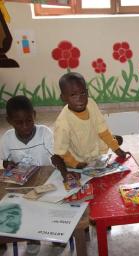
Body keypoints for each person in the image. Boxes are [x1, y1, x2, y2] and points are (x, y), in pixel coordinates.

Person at [0, 96, 64, 255]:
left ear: (34, 115)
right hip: (22, 184)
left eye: (29, 120)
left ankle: (55, 236)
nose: (25, 126)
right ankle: (32, 238)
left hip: (45, 180)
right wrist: (9, 166)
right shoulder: (7, 138)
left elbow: (55, 157)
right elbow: (5, 163)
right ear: (9, 121)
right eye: (19, 122)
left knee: (50, 206)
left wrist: (62, 165)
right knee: (24, 208)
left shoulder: (44, 133)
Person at [54, 72, 129, 172]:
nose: (80, 99)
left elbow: (103, 130)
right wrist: (76, 164)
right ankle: (114, 139)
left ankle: (114, 140)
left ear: (87, 92)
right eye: (73, 95)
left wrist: (117, 150)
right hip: (79, 161)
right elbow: (61, 150)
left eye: (83, 93)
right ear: (63, 98)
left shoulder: (91, 104)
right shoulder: (62, 123)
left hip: (97, 155)